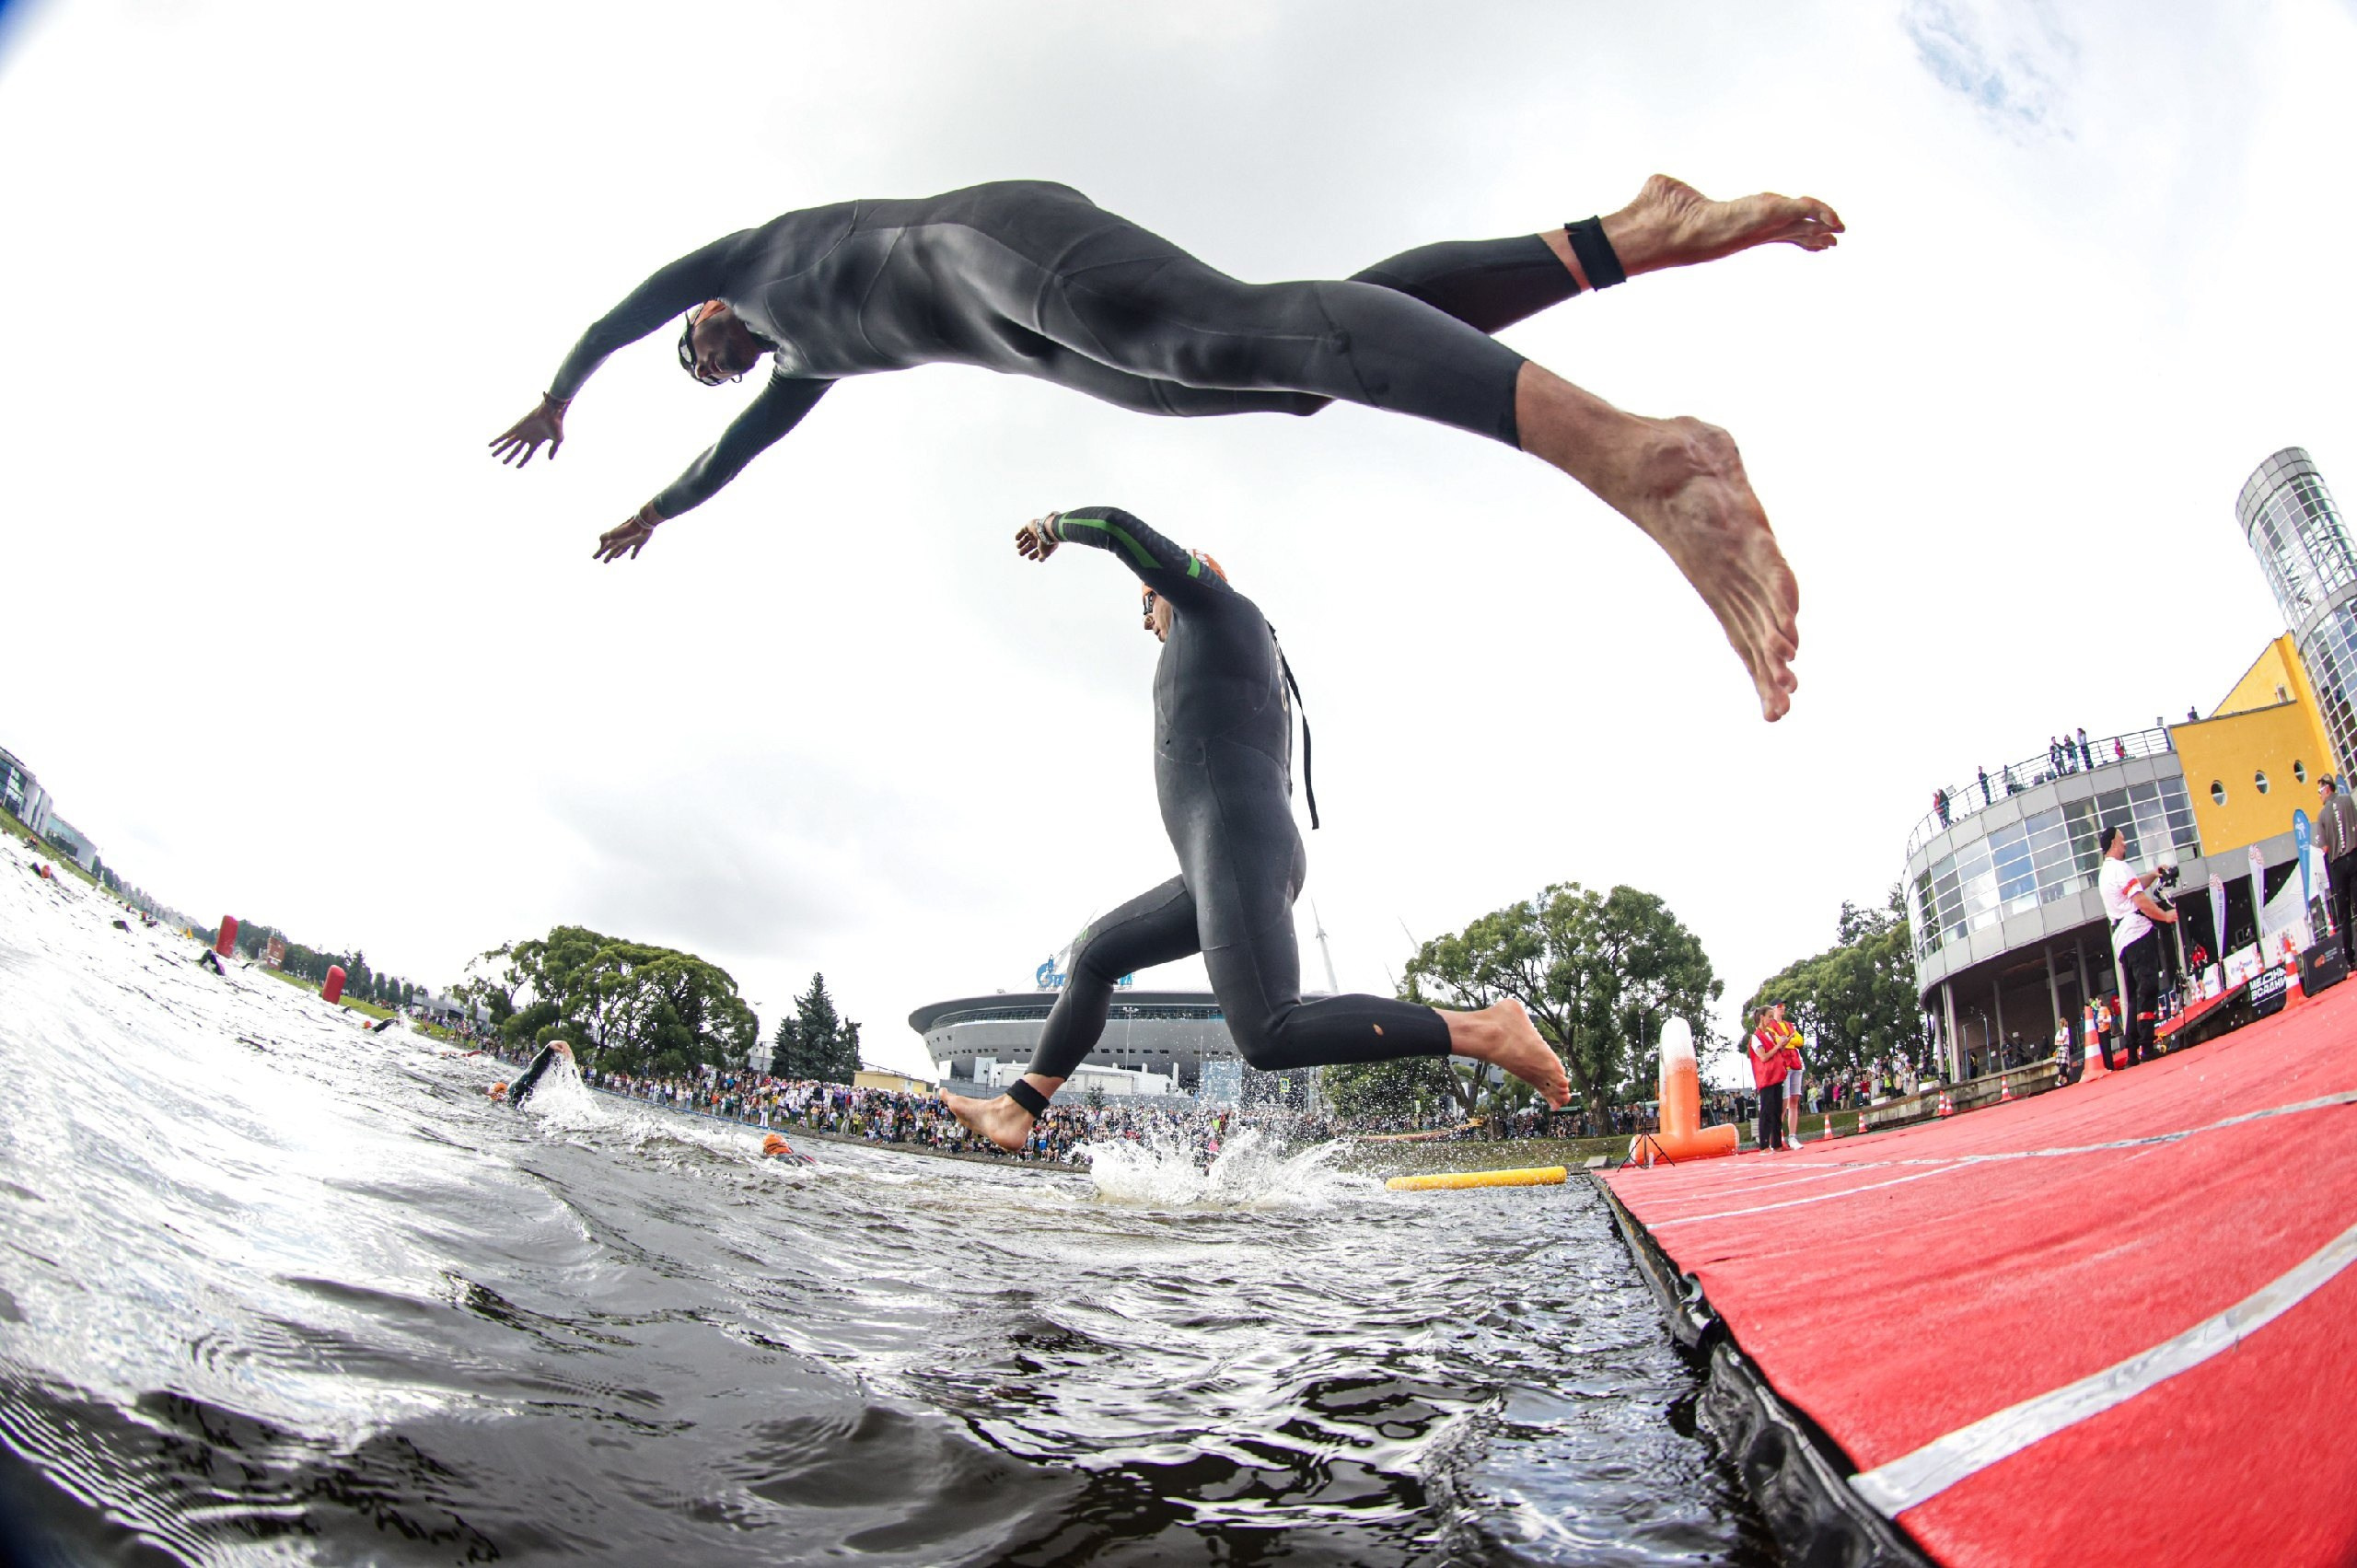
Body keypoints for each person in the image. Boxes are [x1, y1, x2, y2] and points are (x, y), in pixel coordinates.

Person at [492, 176, 1841, 722]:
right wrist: (662, 509)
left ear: (709, 310)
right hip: (1025, 334)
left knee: (1222, 334)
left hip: (993, 246)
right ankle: (1628, 234)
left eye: (700, 340)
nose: (705, 353)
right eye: (703, 366)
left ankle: (1635, 456)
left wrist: (564, 393)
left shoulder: (743, 264)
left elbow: (623, 311)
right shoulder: (803, 365)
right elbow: (739, 454)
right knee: (1277, 373)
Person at [940, 505, 1570, 1151]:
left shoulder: (1217, 609)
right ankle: (1018, 1109)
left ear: (1181, 579)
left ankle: (1486, 1030)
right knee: (1097, 955)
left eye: (1146, 604)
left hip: (1237, 845)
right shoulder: (1236, 649)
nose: (1146, 624)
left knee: (1270, 1031)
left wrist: (1053, 527)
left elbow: (1117, 526)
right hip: (1226, 855)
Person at [2097, 825, 2177, 1068]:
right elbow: (2140, 901)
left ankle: (2132, 1051)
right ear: (2113, 842)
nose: (2126, 844)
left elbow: (2134, 886)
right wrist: (2165, 916)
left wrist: (2153, 874)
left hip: (2122, 939)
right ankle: (2147, 1046)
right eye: (2122, 840)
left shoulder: (2106, 873)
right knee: (2148, 986)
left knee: (2132, 995)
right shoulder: (2120, 868)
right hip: (2138, 933)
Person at [2316, 773, 2357, 969]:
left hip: (2338, 864)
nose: (2319, 796)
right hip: (2354, 855)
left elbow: (2323, 848)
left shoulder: (2322, 815)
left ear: (2327, 789)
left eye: (2319, 791)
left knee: (2344, 915)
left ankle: (2350, 958)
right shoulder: (2348, 800)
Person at [1747, 1005, 1788, 1151]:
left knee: (1777, 1110)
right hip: (1766, 1078)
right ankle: (1764, 1145)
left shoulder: (1770, 1034)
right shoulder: (1756, 1037)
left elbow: (1775, 1051)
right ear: (1762, 1017)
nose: (1771, 1020)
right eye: (1770, 1017)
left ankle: (1777, 1144)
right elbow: (1763, 1057)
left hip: (1777, 1076)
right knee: (1767, 1111)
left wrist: (1781, 1045)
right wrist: (1777, 1047)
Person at [505, 1040, 575, 1110]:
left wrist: (549, 1050)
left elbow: (527, 1079)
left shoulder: (513, 1094)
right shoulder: (514, 1095)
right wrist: (549, 1050)